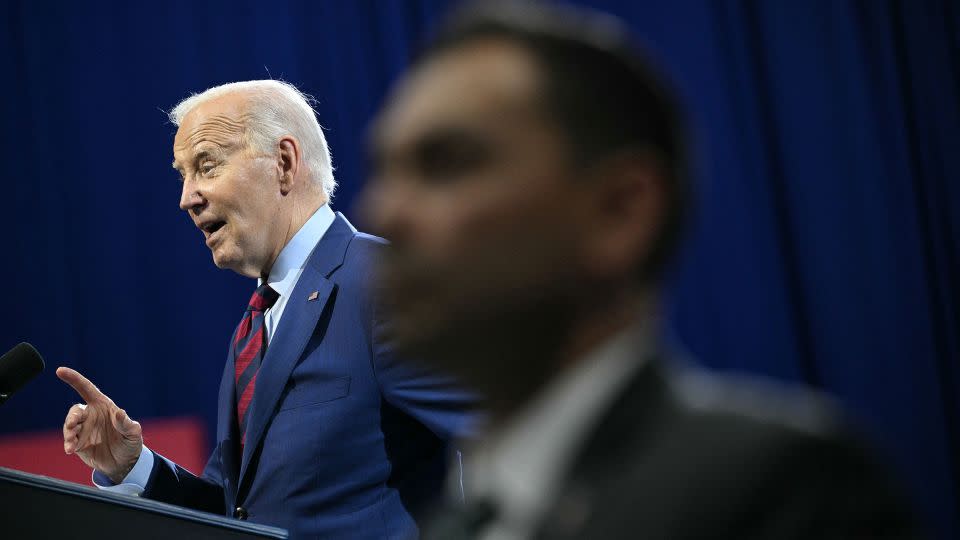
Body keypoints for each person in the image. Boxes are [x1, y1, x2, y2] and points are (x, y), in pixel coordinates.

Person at [361, 3, 919, 539]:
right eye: (385, 171)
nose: (384, 212)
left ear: (620, 212)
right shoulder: (452, 528)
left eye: (448, 164)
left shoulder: (779, 488)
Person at [57, 80, 476, 539]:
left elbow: (509, 437)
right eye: (183, 175)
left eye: (207, 166)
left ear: (284, 163)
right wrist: (135, 467)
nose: (187, 197)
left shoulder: (385, 281)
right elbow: (239, 511)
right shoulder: (253, 327)